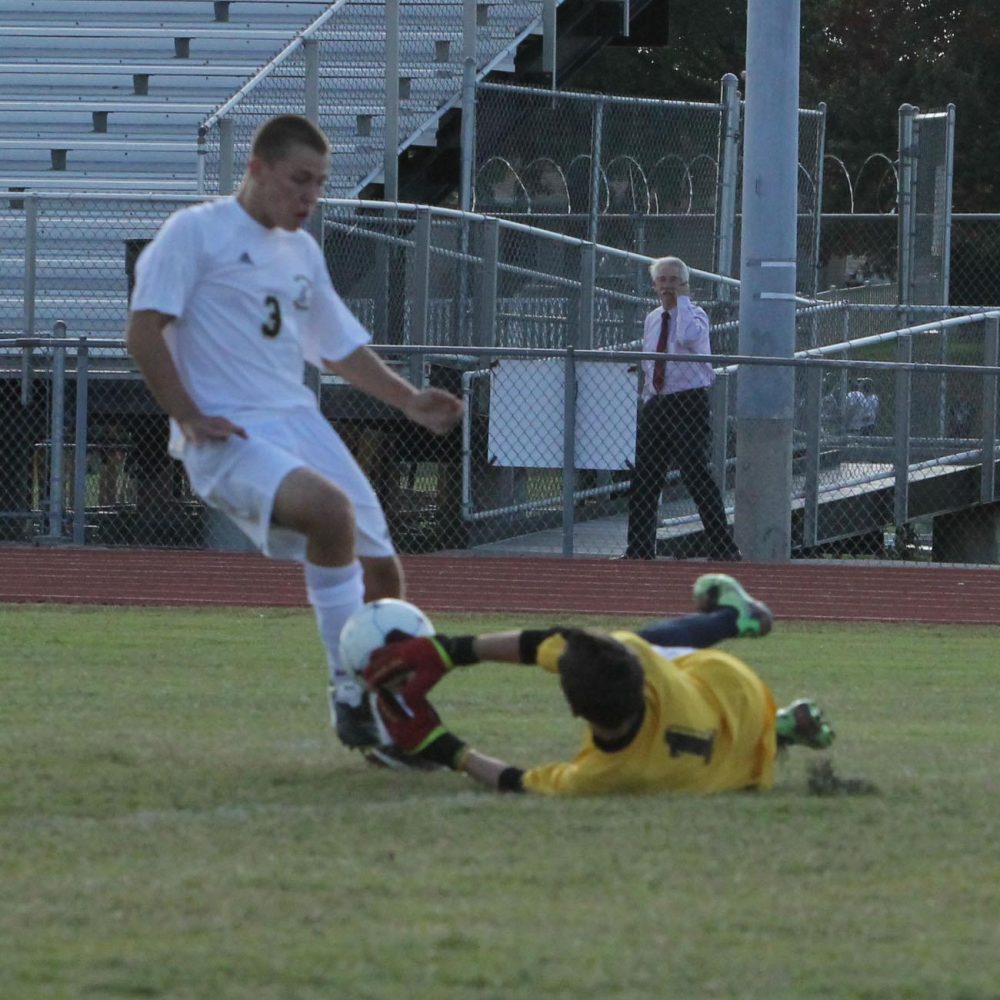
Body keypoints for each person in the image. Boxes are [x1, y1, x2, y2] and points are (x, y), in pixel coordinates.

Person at [126, 114, 463, 768]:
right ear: (256, 169)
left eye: (319, 184)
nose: (309, 196)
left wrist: (408, 401)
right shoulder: (195, 232)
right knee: (329, 514)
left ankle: (393, 726)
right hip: (231, 431)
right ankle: (349, 687)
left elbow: (336, 347)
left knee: (383, 573)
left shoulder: (302, 251)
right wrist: (189, 415)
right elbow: (143, 332)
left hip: (300, 422)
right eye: (298, 181)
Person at [362, 574, 835, 795]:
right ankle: (738, 623)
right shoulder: (641, 663)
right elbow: (549, 644)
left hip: (745, 772)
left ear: (576, 711)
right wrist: (449, 651)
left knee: (655, 654)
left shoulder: (607, 776)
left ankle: (776, 715)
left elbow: (519, 782)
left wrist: (442, 746)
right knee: (649, 643)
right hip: (737, 693)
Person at [622, 256, 741, 561]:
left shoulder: (696, 316)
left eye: (674, 280)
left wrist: (683, 301)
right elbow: (651, 360)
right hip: (657, 402)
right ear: (654, 285)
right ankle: (639, 548)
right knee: (645, 477)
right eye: (662, 280)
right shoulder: (651, 318)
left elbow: (687, 337)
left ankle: (722, 547)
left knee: (695, 473)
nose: (668, 286)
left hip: (688, 401)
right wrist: (648, 395)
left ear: (685, 284)